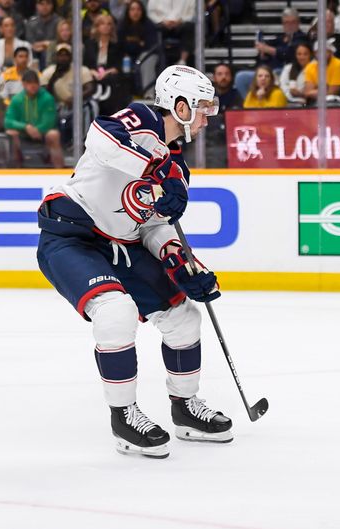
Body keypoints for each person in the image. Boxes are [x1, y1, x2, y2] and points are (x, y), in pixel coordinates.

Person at [35, 65, 231, 459]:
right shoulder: (140, 119)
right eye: (204, 106)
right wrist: (157, 170)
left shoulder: (179, 169)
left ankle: (185, 408)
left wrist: (181, 263)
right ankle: (124, 416)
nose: (210, 115)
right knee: (115, 312)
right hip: (71, 235)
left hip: (121, 244)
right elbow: (101, 138)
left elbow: (154, 226)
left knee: (183, 317)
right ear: (180, 105)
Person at [4, 69, 64, 167]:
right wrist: (26, 127)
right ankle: (16, 168)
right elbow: (8, 121)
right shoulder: (17, 99)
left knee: (53, 134)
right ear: (23, 84)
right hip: (23, 133)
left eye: (35, 83)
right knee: (11, 132)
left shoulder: (47, 98)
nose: (33, 86)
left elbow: (49, 122)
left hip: (43, 133)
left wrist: (37, 130)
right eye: (29, 83)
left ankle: (59, 169)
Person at [83, 12, 127, 115]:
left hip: (110, 75)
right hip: (93, 74)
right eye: (102, 24)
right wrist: (93, 71)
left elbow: (119, 65)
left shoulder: (117, 44)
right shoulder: (89, 44)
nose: (106, 27)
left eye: (109, 24)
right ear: (97, 27)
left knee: (113, 79)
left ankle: (110, 111)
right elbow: (85, 64)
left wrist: (107, 72)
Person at [302, 38, 340, 104]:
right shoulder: (310, 66)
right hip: (316, 101)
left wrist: (316, 90)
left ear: (330, 52)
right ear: (315, 53)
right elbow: (307, 92)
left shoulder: (339, 64)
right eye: (318, 51)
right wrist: (325, 89)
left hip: (337, 100)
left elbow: (333, 91)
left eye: (324, 51)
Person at [25, 0, 60, 70]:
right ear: (36, 6)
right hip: (35, 54)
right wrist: (45, 44)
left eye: (48, 3)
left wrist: (47, 45)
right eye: (41, 4)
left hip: (54, 53)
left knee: (46, 53)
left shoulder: (59, 22)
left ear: (52, 5)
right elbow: (31, 43)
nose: (45, 7)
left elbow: (59, 41)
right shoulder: (31, 22)